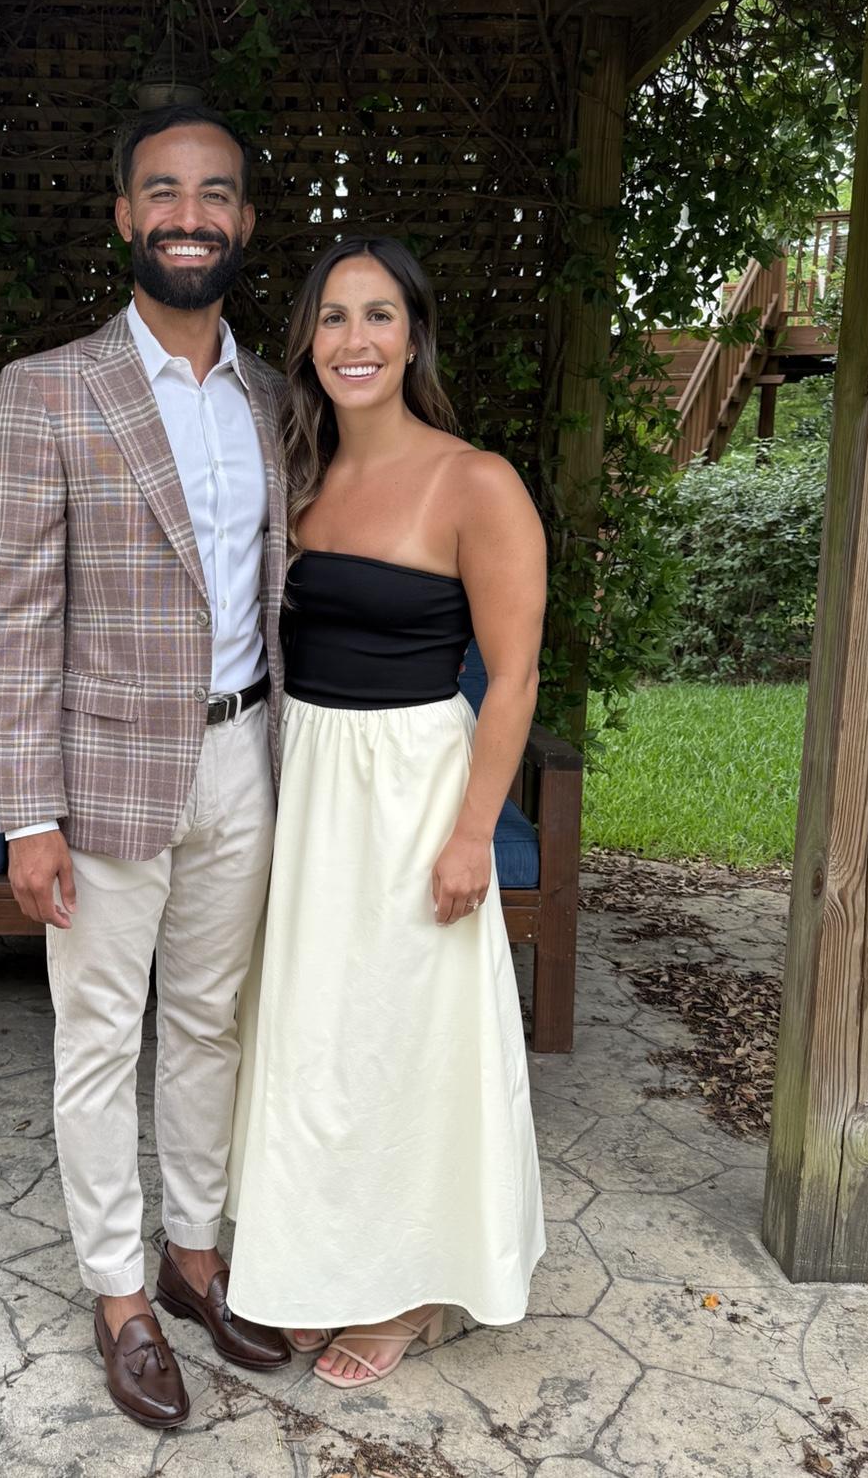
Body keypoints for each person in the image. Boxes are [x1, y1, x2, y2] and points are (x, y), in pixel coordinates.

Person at [0, 104, 292, 1429]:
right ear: (124, 214)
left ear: (244, 221)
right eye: (163, 190)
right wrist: (27, 815)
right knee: (100, 1038)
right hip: (104, 778)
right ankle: (118, 1294)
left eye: (214, 193)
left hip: (246, 759)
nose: (189, 215)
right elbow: (19, 618)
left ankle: (194, 1258)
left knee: (213, 1023)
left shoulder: (274, 399)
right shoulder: (47, 390)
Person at [225, 235, 548, 1388]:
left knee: (408, 1041)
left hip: (415, 787)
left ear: (413, 338)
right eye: (332, 317)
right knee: (316, 1039)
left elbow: (514, 677)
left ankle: (413, 1291)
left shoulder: (476, 482)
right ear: (307, 344)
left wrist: (473, 834)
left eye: (377, 316)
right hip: (307, 779)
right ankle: (323, 1268)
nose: (354, 339)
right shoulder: (295, 475)